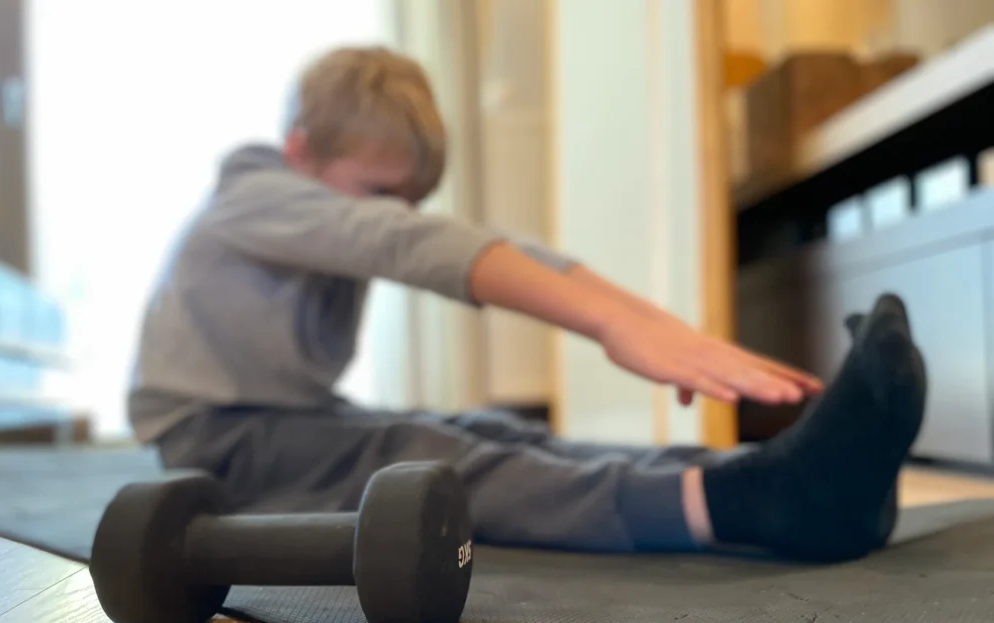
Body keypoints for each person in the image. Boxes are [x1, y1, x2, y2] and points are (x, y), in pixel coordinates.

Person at [129, 46, 927, 563]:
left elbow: (461, 240)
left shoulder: (306, 191)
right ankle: (747, 504)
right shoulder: (252, 195)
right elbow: (406, 244)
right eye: (378, 193)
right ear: (300, 149)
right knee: (422, 458)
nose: (394, 213)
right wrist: (607, 322)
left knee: (489, 429)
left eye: (408, 200)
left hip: (287, 418)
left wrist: (644, 320)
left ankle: (789, 474)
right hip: (216, 440)